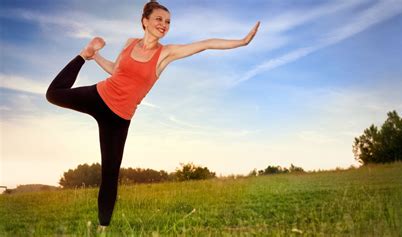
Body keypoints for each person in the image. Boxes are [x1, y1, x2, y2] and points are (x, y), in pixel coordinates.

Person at [45, 0, 259, 228]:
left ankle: (102, 228)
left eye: (168, 22)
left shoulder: (166, 53)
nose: (164, 24)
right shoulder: (129, 43)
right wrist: (94, 56)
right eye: (159, 19)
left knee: (110, 172)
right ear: (145, 21)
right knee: (53, 93)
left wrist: (242, 42)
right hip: (100, 94)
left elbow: (205, 43)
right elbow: (115, 71)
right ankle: (82, 54)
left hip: (118, 119)